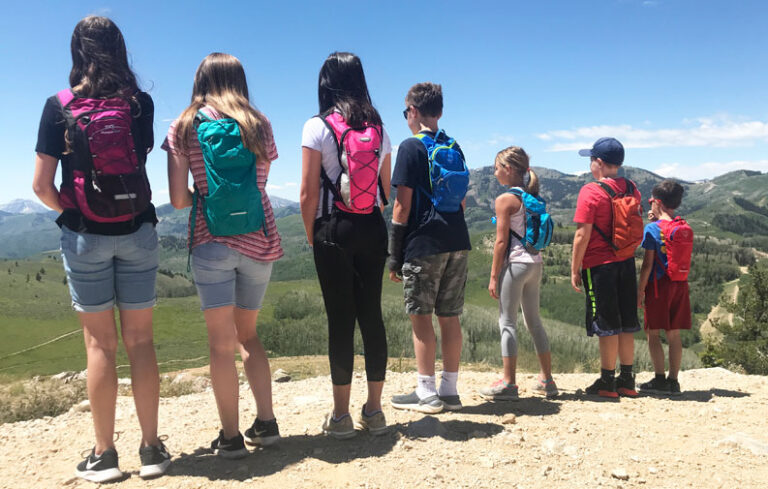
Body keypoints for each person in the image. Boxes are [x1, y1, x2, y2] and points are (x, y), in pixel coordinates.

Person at [32, 16, 169, 482]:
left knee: (99, 345)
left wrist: (75, 213)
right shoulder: (139, 104)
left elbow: (40, 186)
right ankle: (151, 450)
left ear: (77, 53)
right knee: (141, 342)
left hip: (85, 235)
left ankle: (104, 454)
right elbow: (140, 159)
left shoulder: (59, 106)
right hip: (137, 230)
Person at [164, 53, 283, 458]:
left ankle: (230, 437)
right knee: (249, 335)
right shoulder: (259, 123)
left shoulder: (184, 126)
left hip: (211, 239)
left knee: (220, 344)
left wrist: (207, 195)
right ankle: (267, 423)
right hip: (259, 239)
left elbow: (179, 200)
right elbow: (262, 182)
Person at [300, 52, 391, 439]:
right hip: (372, 226)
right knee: (371, 316)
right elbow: (386, 191)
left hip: (334, 229)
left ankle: (340, 417)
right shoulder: (380, 128)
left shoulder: (316, 126)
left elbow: (306, 192)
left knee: (341, 319)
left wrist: (312, 235)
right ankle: (374, 411)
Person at [389, 82, 471, 413]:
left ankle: (426, 392)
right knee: (449, 317)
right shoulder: (455, 146)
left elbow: (401, 207)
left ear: (414, 111)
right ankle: (449, 390)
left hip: (424, 244)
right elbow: (461, 201)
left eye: (405, 111)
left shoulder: (411, 147)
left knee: (420, 317)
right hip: (458, 241)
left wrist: (394, 256)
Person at [480, 147, 558, 400]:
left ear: (509, 169)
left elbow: (501, 242)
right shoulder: (531, 197)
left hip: (515, 265)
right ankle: (547, 380)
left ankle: (509, 384)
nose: (495, 173)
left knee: (507, 322)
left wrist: (493, 276)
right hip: (535, 263)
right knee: (534, 322)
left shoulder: (505, 200)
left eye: (497, 167)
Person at [570, 137, 642, 398]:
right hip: (627, 262)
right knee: (626, 322)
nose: (590, 164)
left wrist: (575, 268)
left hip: (600, 265)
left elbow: (582, 235)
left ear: (598, 163)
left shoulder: (590, 191)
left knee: (607, 323)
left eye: (591, 159)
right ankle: (627, 379)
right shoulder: (632, 188)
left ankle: (607, 381)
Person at [637, 180, 692, 396]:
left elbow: (647, 265)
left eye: (651, 201)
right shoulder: (683, 225)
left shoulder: (652, 229)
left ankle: (659, 378)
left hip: (658, 286)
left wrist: (640, 291)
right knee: (674, 334)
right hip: (679, 285)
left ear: (657, 203)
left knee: (653, 333)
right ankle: (673, 381)